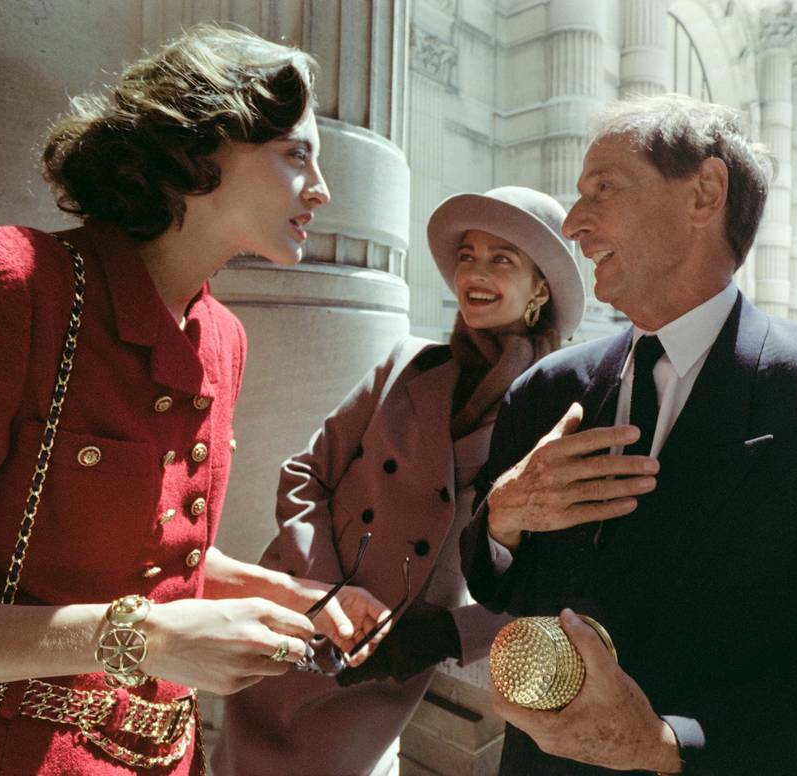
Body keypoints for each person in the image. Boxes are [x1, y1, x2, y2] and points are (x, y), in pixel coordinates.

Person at [0, 25, 388, 775]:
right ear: (200, 147)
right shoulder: (5, 286)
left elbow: (141, 555)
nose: (322, 190)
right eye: (297, 153)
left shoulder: (222, 338)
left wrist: (283, 589)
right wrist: (142, 638)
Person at [459, 94, 797, 775]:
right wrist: (504, 522)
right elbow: (502, 592)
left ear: (705, 191)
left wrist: (666, 744)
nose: (575, 224)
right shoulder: (546, 392)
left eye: (602, 190)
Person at [214, 187, 586, 776]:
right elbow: (304, 474)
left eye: (502, 259)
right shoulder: (406, 363)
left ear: (541, 288)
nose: (476, 272)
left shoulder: (555, 410)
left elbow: (553, 580)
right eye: (467, 255)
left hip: (385, 656)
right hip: (299, 609)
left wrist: (439, 637)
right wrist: (325, 593)